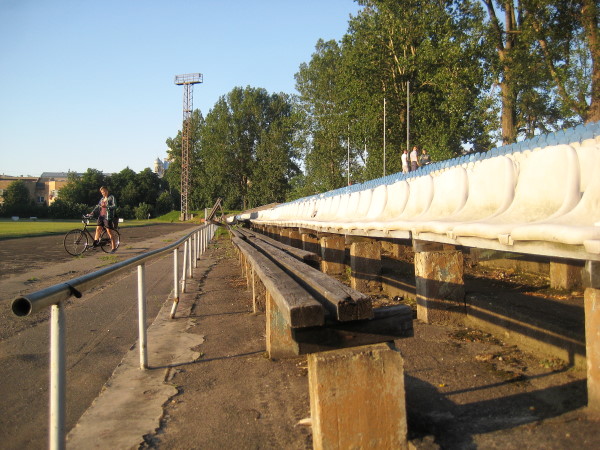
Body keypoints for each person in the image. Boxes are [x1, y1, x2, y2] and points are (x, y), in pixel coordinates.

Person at [90, 186, 117, 253]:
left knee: (109, 231)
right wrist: (92, 212)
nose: (103, 193)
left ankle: (113, 248)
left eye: (104, 191)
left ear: (107, 191)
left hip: (108, 217)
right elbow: (97, 206)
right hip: (101, 216)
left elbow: (115, 206)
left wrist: (106, 206)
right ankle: (95, 243)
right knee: (98, 229)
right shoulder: (102, 199)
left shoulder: (111, 197)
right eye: (102, 192)